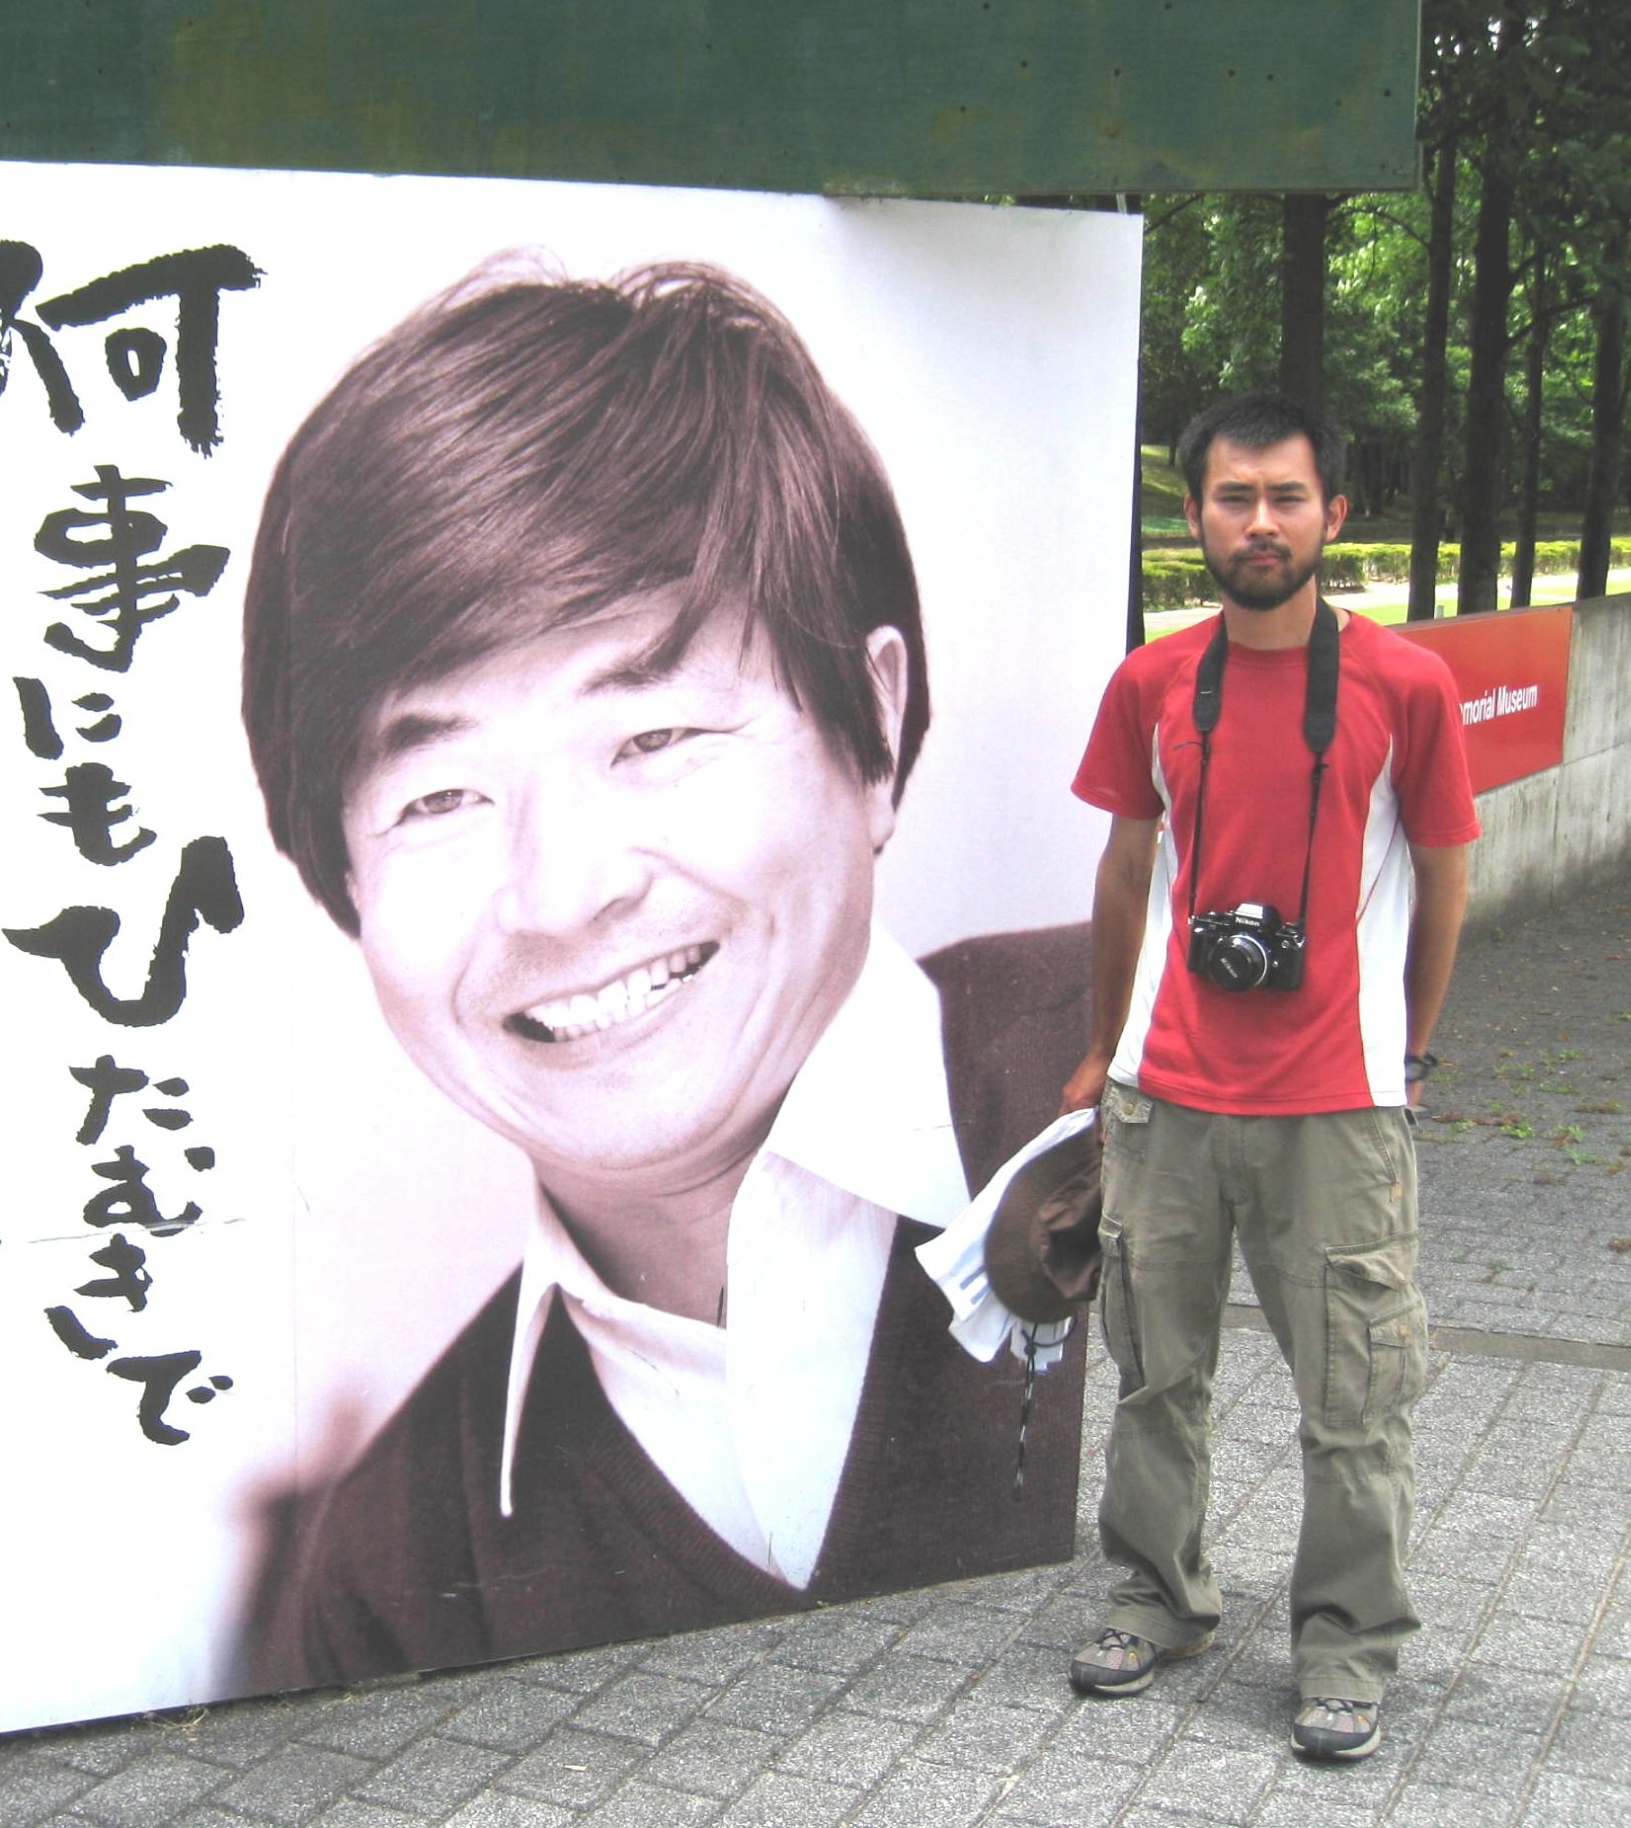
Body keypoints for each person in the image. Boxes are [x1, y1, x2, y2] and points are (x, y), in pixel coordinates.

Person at [239, 259, 1090, 1683]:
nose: (563, 893)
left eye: (655, 737)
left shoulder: (1139, 1068)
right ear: (343, 882)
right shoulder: (388, 1564)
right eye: (436, 797)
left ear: (871, 727)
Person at [1060, 391, 1477, 1762]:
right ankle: (1155, 1595)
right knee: (1151, 1374)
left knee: (1352, 1398)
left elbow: (1450, 870)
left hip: (1335, 1106)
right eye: (1232, 497)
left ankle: (1346, 1647)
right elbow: (1128, 865)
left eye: (1286, 497)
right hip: (1168, 1093)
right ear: (1196, 519)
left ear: (1334, 515)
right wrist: (1104, 1046)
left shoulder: (1407, 686)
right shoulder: (1152, 683)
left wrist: (1405, 1054)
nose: (1259, 522)